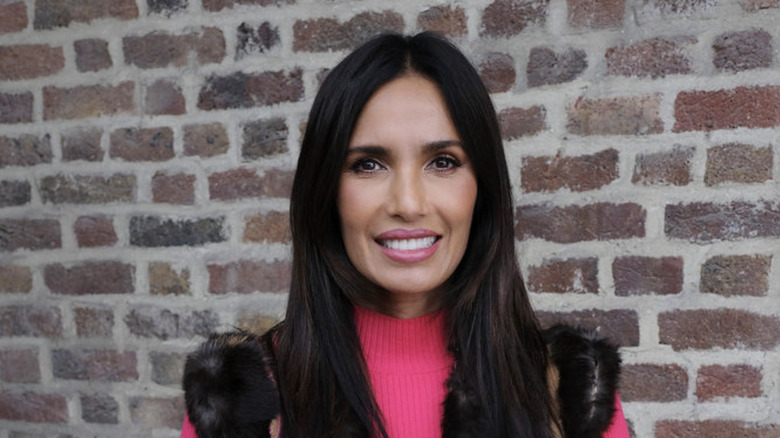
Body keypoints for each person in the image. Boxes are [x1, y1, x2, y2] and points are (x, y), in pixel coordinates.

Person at [180, 32, 630, 438]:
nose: (409, 203)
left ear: (483, 189)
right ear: (326, 192)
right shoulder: (240, 401)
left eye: (444, 162)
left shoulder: (570, 393)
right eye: (368, 165)